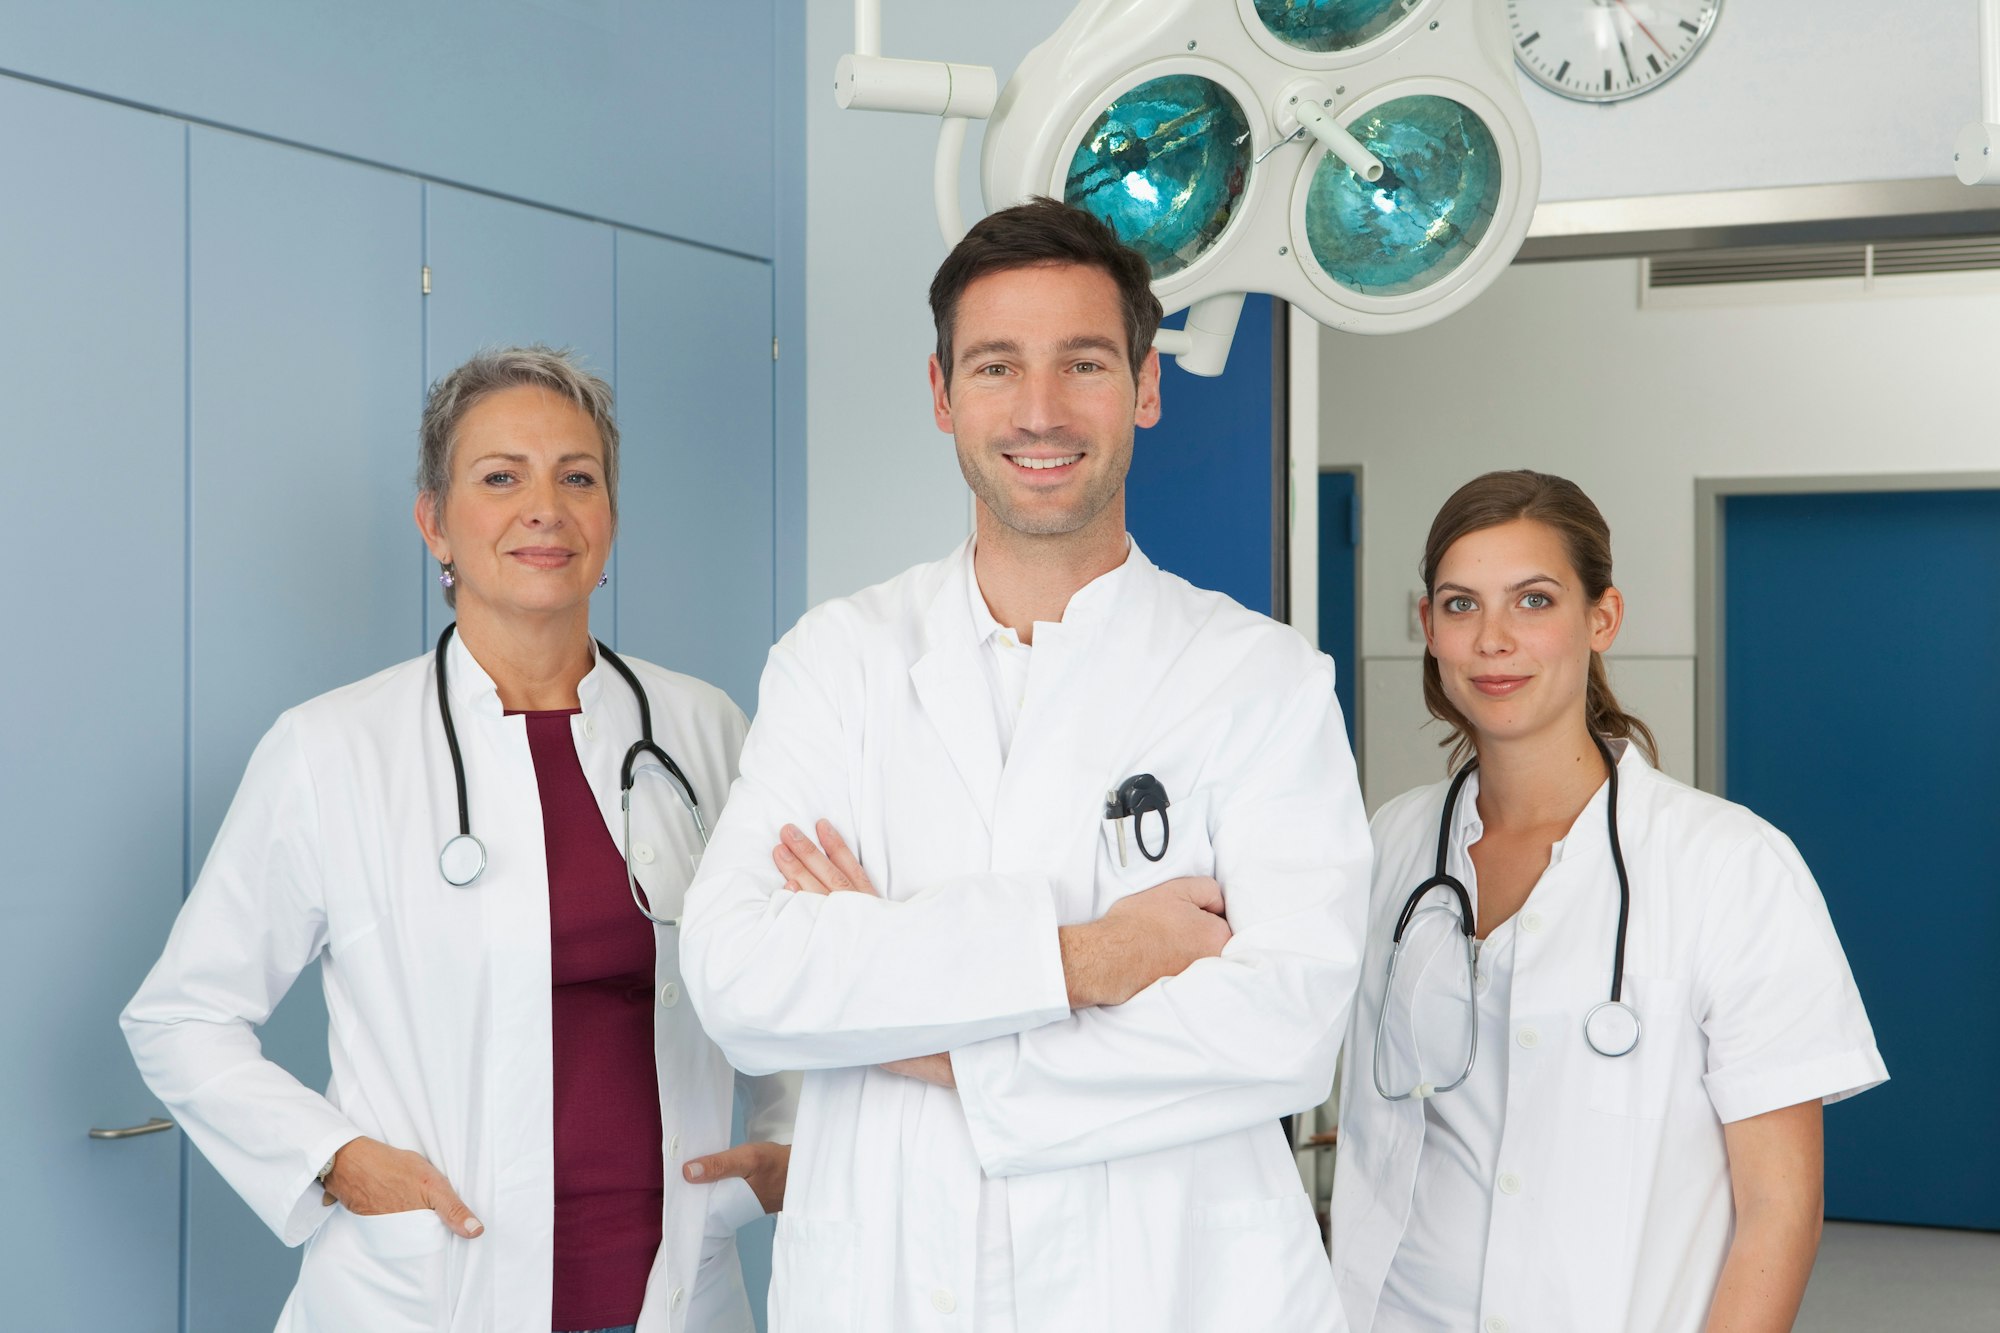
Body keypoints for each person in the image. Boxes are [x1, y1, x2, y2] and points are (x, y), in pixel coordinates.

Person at [678, 198, 1371, 1332]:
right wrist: (1096, 957)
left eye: (1083, 363)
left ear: (1145, 387)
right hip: (891, 1283)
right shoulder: (839, 661)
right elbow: (741, 978)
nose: (1039, 411)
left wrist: (926, 1035)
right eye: (997, 367)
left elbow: (1283, 1026)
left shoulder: (1258, 679)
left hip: (1173, 1290)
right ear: (943, 394)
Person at [122, 346, 798, 1333]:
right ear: (434, 522)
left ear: (608, 516)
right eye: (499, 478)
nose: (545, 508)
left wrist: (789, 1141)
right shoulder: (332, 747)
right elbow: (180, 1018)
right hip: (431, 1282)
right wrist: (338, 1159)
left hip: (674, 1285)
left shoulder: (701, 727)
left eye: (578, 476)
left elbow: (784, 967)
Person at [1331, 470, 1887, 1333]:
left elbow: (1780, 1210)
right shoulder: (1394, 843)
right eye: (1461, 604)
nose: (1494, 639)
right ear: (1428, 628)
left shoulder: (1729, 865)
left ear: (1602, 617)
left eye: (1535, 600)